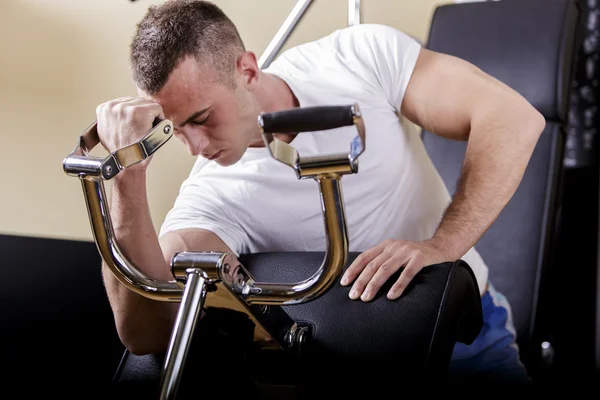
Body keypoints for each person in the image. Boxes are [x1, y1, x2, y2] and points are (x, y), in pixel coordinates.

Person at [96, 0, 545, 395]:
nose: (194, 146)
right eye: (177, 129)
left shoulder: (356, 57)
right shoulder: (212, 190)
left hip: (465, 333)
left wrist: (441, 248)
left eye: (203, 118)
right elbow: (147, 332)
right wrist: (124, 177)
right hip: (351, 368)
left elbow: (513, 118)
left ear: (247, 70)